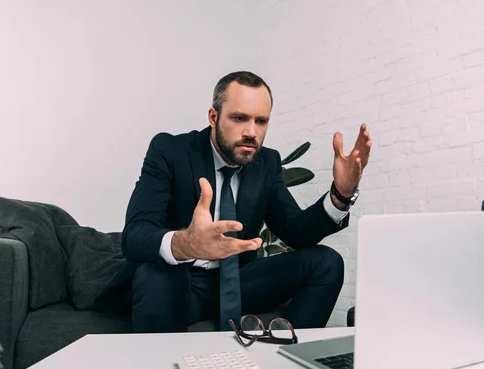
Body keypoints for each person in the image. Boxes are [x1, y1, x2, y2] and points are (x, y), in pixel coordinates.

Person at [94, 71, 371, 333]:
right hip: (179, 281)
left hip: (237, 281)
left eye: (261, 121)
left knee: (326, 262)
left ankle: (288, 358)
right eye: (239, 118)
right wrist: (185, 243)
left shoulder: (267, 162)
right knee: (153, 277)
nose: (251, 132)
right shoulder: (170, 151)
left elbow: (295, 231)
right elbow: (135, 236)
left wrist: (341, 195)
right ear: (213, 117)